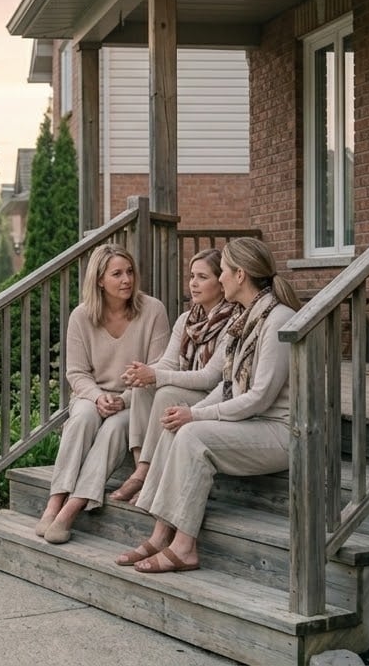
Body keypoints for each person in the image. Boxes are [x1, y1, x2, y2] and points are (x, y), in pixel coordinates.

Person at [124, 237, 302, 573]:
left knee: (193, 435)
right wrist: (188, 414)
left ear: (240, 275)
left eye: (222, 272)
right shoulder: (247, 319)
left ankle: (184, 546)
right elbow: (228, 386)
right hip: (253, 424)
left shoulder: (277, 320)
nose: (219, 279)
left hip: (281, 431)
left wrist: (198, 414)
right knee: (178, 425)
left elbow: (259, 397)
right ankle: (161, 533)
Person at [34, 244, 170, 544]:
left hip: (135, 403)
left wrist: (124, 399)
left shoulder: (153, 310)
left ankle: (72, 508)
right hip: (92, 397)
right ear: (99, 280)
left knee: (112, 430)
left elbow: (161, 368)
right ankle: (54, 502)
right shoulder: (82, 316)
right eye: (117, 274)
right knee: (81, 420)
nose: (127, 280)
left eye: (130, 272)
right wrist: (97, 397)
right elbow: (76, 373)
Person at [106, 248, 238, 515]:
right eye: (191, 276)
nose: (193, 283)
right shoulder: (187, 319)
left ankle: (148, 476)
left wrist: (156, 376)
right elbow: (167, 364)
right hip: (189, 390)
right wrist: (142, 374)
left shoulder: (234, 321)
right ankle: (142, 468)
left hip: (214, 396)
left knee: (165, 392)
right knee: (146, 386)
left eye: (202, 277)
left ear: (221, 283)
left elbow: (210, 377)